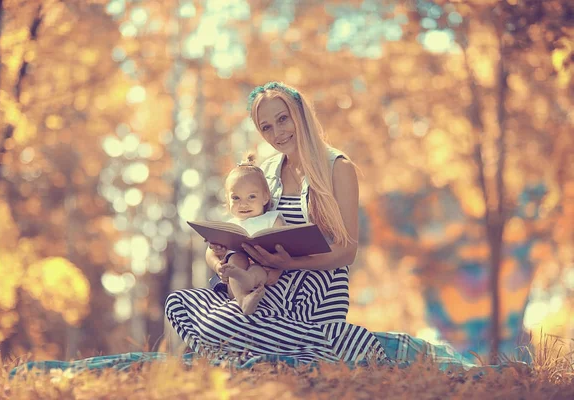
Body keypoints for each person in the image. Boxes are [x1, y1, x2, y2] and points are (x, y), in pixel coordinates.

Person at [165, 81, 480, 369]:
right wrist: (221, 259)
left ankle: (334, 343)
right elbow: (250, 228)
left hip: (314, 288)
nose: (277, 132)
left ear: (300, 114)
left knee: (224, 326)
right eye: (267, 127)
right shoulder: (268, 170)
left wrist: (292, 261)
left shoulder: (337, 168)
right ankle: (298, 344)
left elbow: (347, 252)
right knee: (178, 303)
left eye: (283, 119)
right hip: (268, 282)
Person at [217, 153, 286, 315]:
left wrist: (278, 271)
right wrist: (218, 260)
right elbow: (213, 253)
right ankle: (243, 299)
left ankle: (246, 284)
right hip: (235, 280)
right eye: (236, 198)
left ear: (265, 197)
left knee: (258, 269)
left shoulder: (272, 219)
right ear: (228, 202)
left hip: (262, 271)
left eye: (251, 196)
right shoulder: (230, 225)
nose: (244, 203)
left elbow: (286, 246)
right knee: (234, 259)